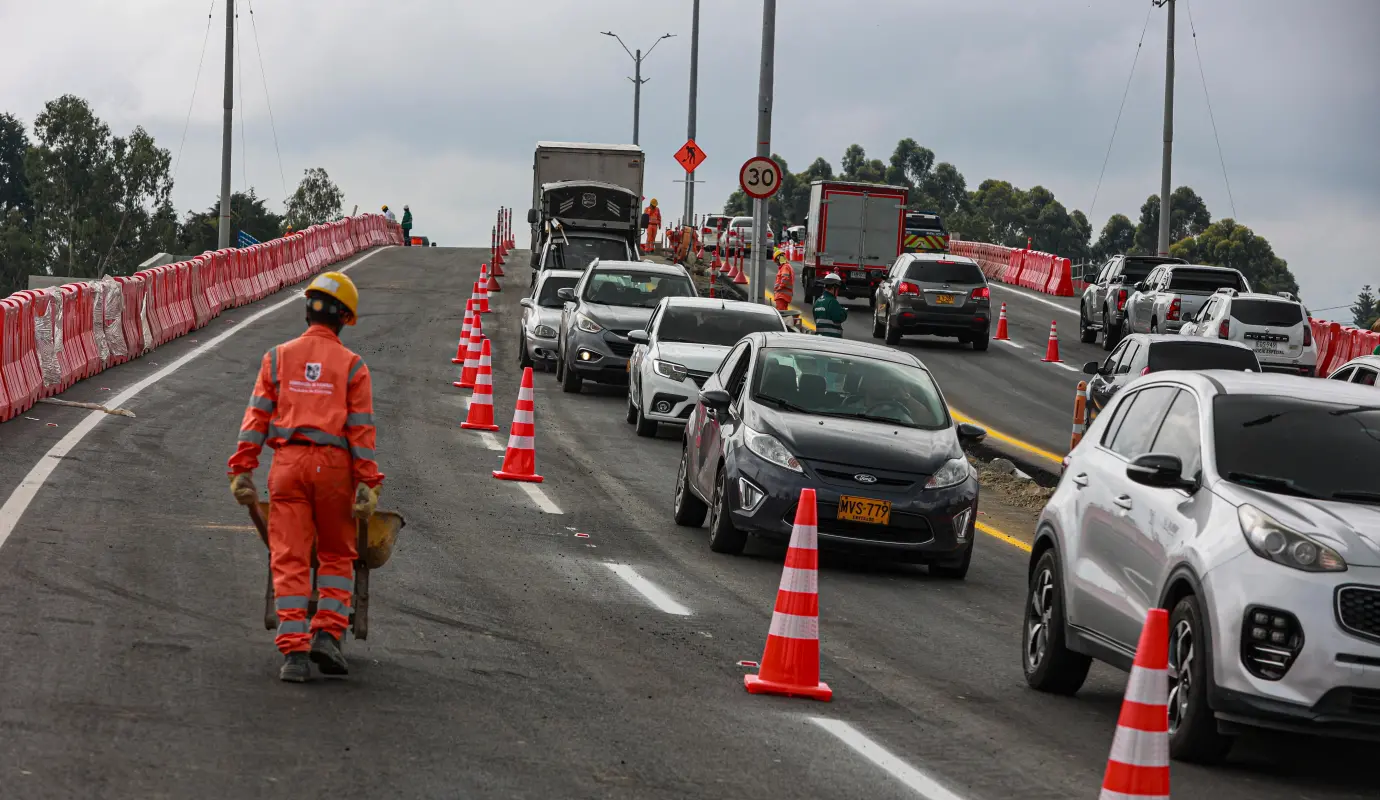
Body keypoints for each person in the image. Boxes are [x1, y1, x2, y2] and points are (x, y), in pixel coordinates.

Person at [227, 271, 384, 683]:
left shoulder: (277, 358)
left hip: (288, 467)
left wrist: (243, 468)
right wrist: (367, 481)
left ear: (307, 311)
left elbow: (256, 418)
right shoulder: (353, 367)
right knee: (336, 553)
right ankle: (328, 634)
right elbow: (361, 431)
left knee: (290, 556)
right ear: (345, 319)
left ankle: (294, 654)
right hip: (333, 469)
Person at [812, 273, 847, 338]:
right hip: (832, 339)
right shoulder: (832, 302)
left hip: (819, 338)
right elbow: (839, 317)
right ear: (834, 288)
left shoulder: (817, 302)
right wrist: (844, 311)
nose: (837, 292)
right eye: (837, 289)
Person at [772, 247, 795, 312]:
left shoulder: (785, 267)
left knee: (781, 313)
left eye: (776, 260)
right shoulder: (787, 266)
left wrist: (779, 288)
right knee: (784, 312)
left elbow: (785, 278)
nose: (777, 263)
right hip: (784, 295)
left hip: (781, 295)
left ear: (779, 258)